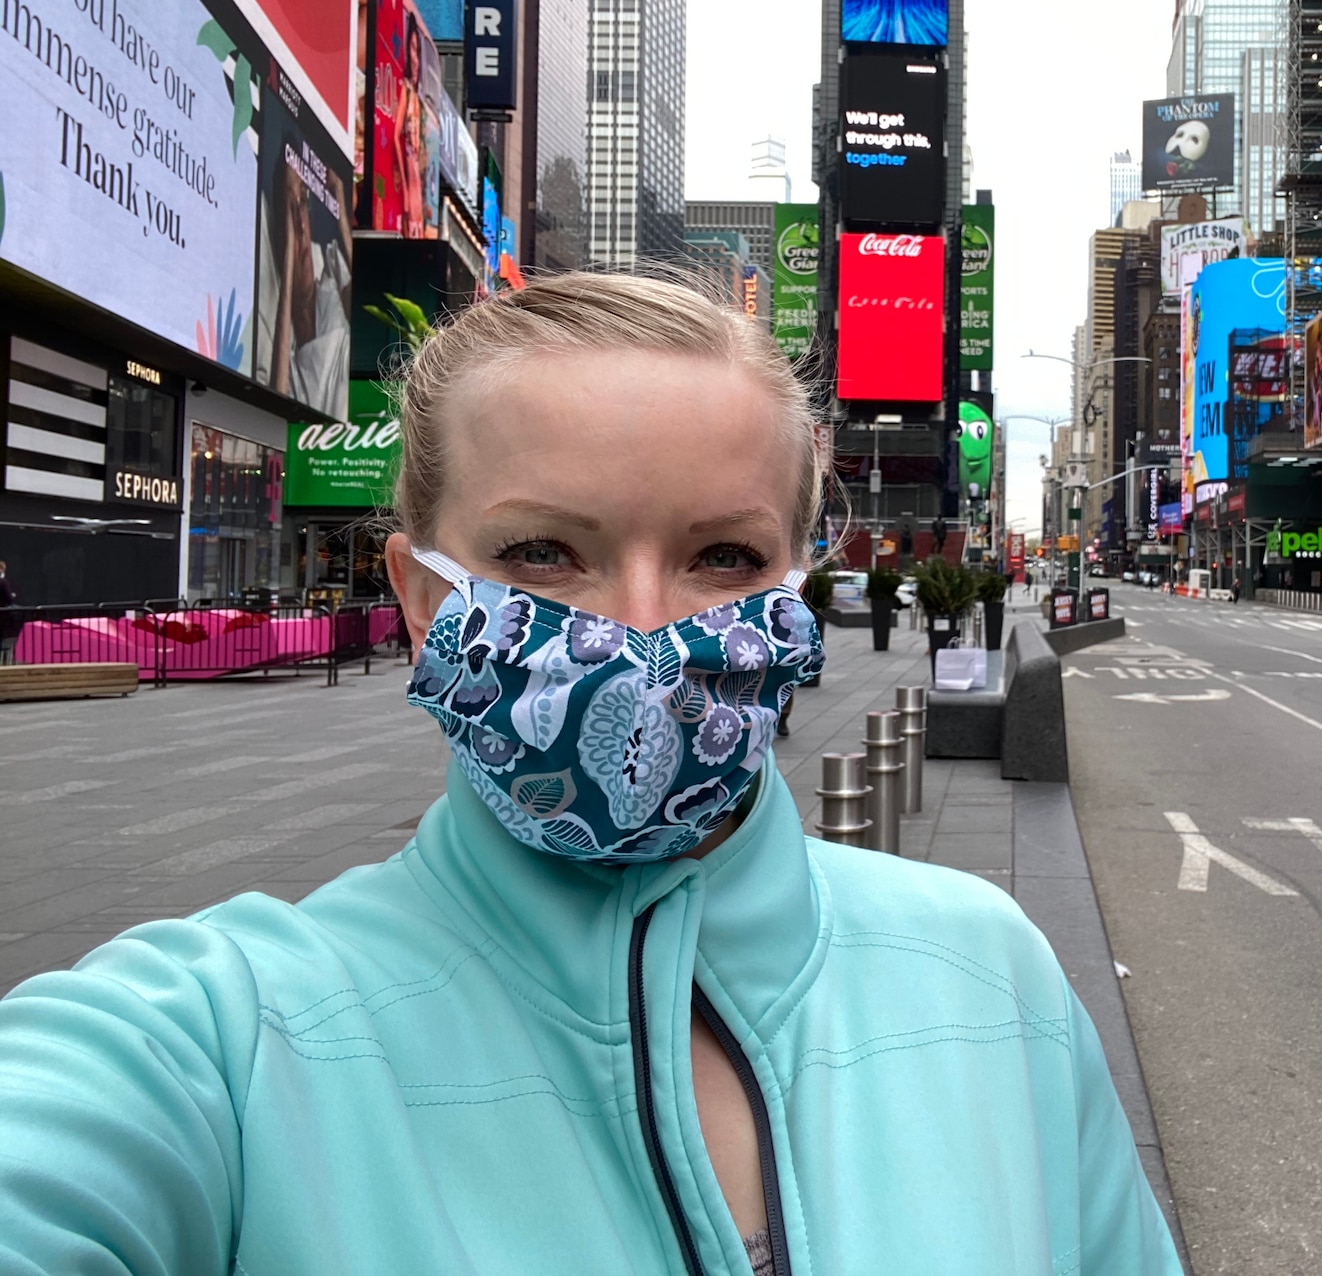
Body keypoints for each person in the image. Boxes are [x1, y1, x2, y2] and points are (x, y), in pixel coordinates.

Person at [0, 275, 1177, 1274]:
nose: (643, 629)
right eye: (544, 554)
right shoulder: (219, 1042)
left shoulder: (994, 976)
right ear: (420, 602)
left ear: (793, 588)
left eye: (723, 556)